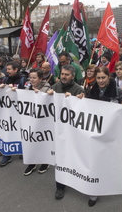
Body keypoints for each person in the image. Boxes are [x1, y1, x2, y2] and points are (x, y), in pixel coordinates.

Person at [83, 66, 122, 207]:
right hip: (95, 132)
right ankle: (95, 190)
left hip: (111, 134)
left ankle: (108, 183)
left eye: (103, 77)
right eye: (98, 78)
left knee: (108, 161)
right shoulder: (92, 90)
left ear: (109, 77)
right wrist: (80, 100)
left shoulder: (117, 91)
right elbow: (85, 108)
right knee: (95, 160)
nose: (101, 81)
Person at [47, 65, 84, 202]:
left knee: (72, 157)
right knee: (60, 159)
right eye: (62, 74)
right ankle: (60, 186)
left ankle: (75, 179)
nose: (64, 76)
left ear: (73, 76)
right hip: (57, 130)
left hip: (71, 132)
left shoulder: (78, 89)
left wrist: (76, 98)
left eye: (67, 74)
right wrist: (47, 95)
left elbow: (82, 108)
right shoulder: (56, 86)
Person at [20, 68, 51, 176]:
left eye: (34, 78)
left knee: (42, 140)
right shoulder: (27, 86)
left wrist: (40, 95)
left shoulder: (46, 87)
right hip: (29, 118)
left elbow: (48, 101)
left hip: (42, 120)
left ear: (40, 78)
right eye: (30, 77)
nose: (31, 80)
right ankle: (32, 162)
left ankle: (45, 162)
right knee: (30, 140)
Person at [0, 61, 27, 167]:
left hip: (19, 112)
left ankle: (22, 151)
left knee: (20, 131)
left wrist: (18, 90)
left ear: (16, 69)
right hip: (8, 112)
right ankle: (7, 155)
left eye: (9, 69)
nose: (7, 71)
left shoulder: (23, 79)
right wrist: (0, 87)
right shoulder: (6, 79)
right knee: (8, 130)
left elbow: (27, 93)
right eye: (7, 69)